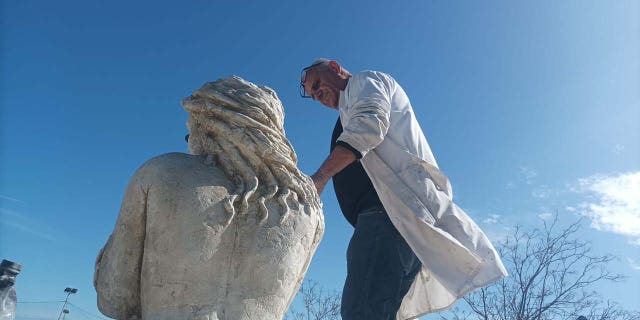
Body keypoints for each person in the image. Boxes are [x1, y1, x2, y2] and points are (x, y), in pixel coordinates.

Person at [300, 59, 508, 320]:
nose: (317, 94)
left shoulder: (365, 82)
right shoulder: (348, 109)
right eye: (312, 94)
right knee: (380, 311)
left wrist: (320, 177)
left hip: (387, 216)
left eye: (317, 84)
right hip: (397, 224)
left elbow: (369, 125)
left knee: (362, 310)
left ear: (334, 67)